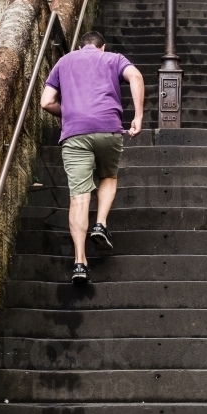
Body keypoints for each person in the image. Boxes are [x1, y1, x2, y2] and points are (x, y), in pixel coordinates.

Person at [40, 30, 145, 284]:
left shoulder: (64, 62)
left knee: (78, 197)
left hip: (75, 132)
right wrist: (138, 116)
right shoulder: (113, 58)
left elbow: (46, 102)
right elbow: (136, 76)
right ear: (102, 46)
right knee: (108, 175)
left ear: (79, 46)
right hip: (108, 127)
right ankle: (100, 223)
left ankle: (79, 262)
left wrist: (70, 113)